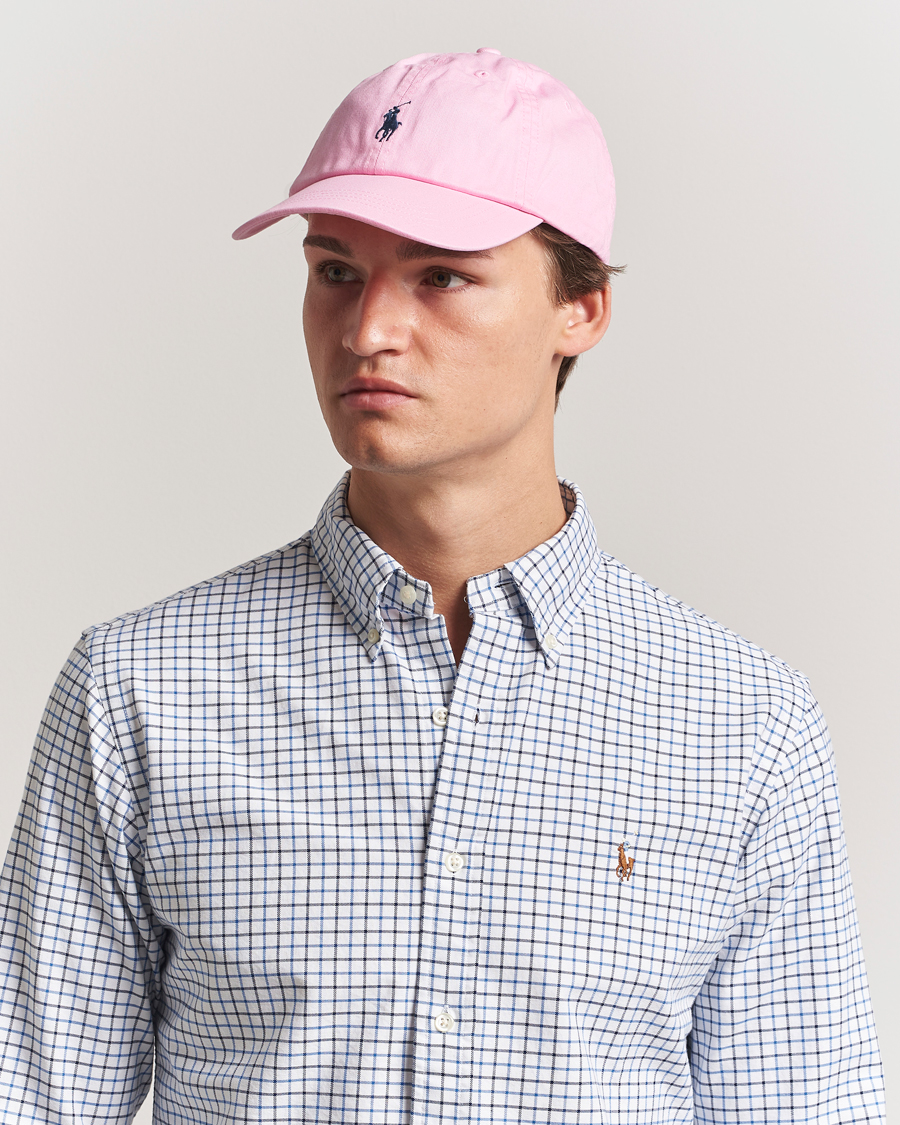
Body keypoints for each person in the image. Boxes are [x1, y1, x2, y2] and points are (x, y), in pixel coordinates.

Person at [0, 48, 885, 1124]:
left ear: (582, 307)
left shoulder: (744, 725)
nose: (367, 330)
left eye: (442, 275)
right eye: (336, 271)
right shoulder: (141, 689)